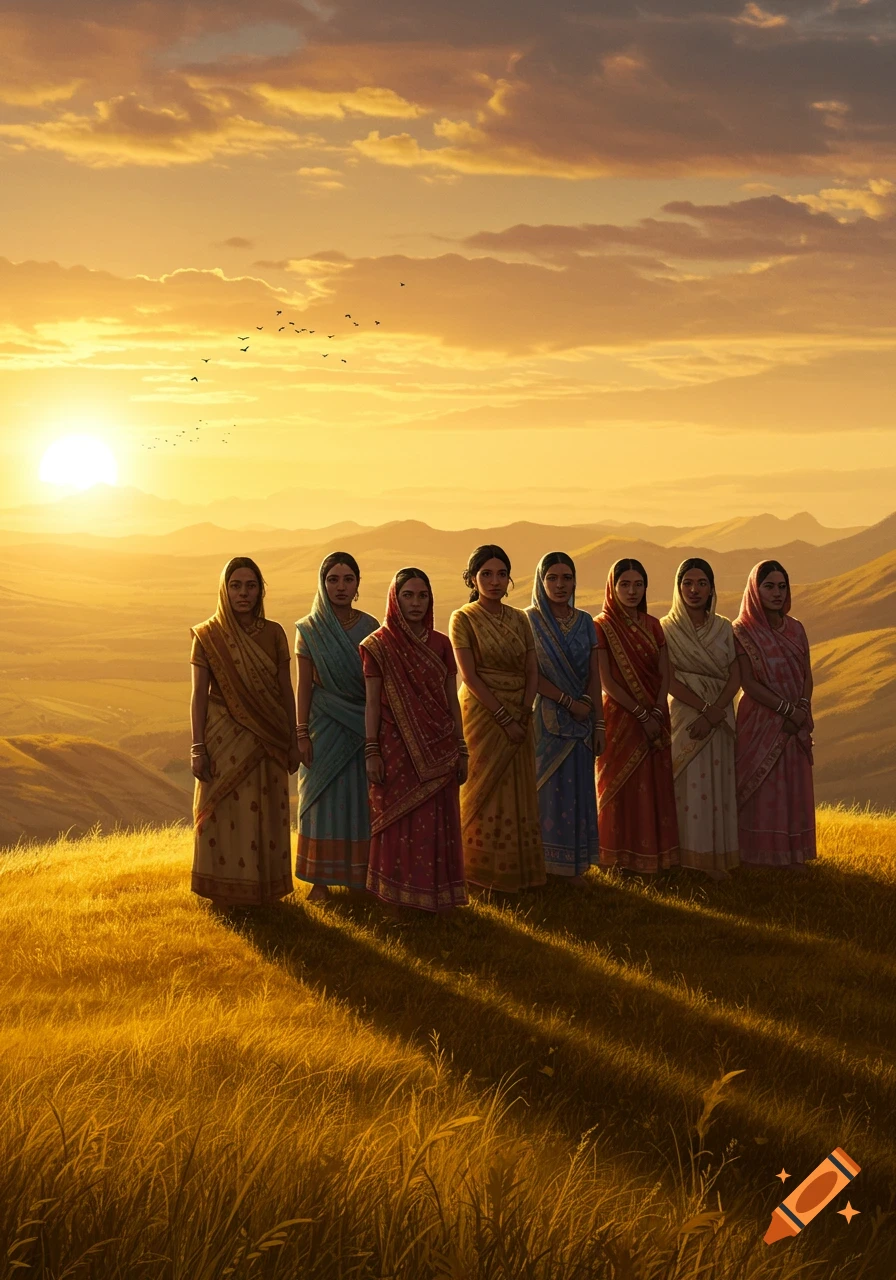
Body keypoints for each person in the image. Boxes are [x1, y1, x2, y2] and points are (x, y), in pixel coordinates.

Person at [190, 557, 298, 907]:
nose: (243, 593)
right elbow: (199, 696)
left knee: (264, 809)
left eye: (251, 586)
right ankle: (223, 893)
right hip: (223, 736)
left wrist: (293, 739)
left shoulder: (274, 633)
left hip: (269, 737)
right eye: (235, 585)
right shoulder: (208, 636)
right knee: (224, 812)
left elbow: (286, 690)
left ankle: (264, 892)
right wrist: (197, 747)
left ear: (260, 590)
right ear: (224, 589)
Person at [360, 568, 468, 915]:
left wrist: (461, 745)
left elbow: (452, 697)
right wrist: (372, 750)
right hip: (394, 746)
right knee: (397, 821)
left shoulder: (440, 643)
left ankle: (438, 897)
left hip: (440, 745)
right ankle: (395, 899)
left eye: (423, 595)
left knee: (438, 822)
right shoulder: (378, 645)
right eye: (408, 595)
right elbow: (372, 702)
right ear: (395, 598)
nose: (416, 602)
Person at [449, 545, 546, 892]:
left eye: (501, 574)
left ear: (509, 579)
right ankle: (476, 872)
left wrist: (524, 709)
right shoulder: (463, 617)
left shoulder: (520, 618)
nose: (494, 581)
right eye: (486, 574)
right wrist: (504, 717)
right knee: (480, 787)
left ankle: (517, 871)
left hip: (521, 711)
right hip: (483, 713)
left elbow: (532, 668)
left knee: (517, 788)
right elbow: (469, 676)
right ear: (473, 579)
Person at [294, 552, 378, 901]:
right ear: (322, 583)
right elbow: (303, 686)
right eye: (333, 579)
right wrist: (300, 733)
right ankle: (320, 881)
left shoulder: (372, 627)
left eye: (348, 579)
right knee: (320, 799)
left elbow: (379, 684)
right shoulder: (309, 629)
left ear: (358, 584)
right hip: (323, 725)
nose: (340, 587)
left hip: (363, 726)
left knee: (362, 800)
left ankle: (362, 878)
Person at [594, 558, 679, 875]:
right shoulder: (601, 626)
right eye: (624, 584)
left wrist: (657, 709)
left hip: (656, 715)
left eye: (638, 585)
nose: (631, 591)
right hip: (621, 717)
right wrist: (642, 713)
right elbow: (606, 680)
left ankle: (654, 858)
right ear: (612, 588)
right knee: (618, 787)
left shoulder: (654, 625)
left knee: (653, 785)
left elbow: (664, 671)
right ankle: (616, 860)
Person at [526, 552, 604, 883]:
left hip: (583, 721)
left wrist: (595, 717)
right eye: (552, 578)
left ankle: (574, 867)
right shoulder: (528, 620)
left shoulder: (586, 621)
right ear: (541, 582)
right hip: (546, 721)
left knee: (578, 791)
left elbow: (595, 673)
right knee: (546, 792)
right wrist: (566, 701)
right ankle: (543, 865)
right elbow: (530, 673)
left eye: (567, 578)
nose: (560, 585)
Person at [661, 558, 740, 880]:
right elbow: (666, 678)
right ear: (678, 588)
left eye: (702, 584)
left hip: (720, 717)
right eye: (688, 583)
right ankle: (684, 857)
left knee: (717, 785)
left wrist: (716, 710)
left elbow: (735, 674)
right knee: (685, 784)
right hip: (685, 714)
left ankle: (714, 858)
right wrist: (704, 710)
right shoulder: (665, 629)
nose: (694, 590)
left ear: (711, 589)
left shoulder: (724, 627)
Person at [733, 560, 816, 869]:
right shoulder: (742, 630)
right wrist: (786, 710)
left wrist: (802, 709)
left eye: (782, 586)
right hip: (760, 722)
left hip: (796, 723)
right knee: (763, 788)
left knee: (793, 786)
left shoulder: (796, 628)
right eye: (769, 586)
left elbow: (807, 674)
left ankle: (794, 856)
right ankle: (757, 857)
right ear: (755, 590)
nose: (777, 593)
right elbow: (747, 682)